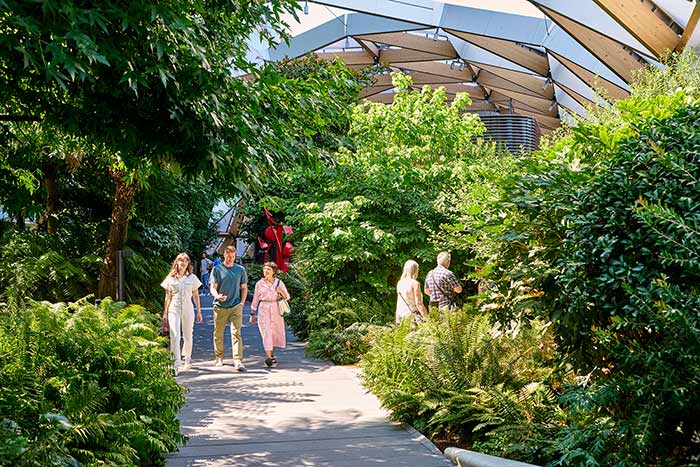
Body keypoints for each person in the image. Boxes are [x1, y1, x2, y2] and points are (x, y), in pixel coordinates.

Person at [161, 253, 203, 375]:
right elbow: (167, 297)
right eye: (181, 260)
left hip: (188, 308)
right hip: (174, 308)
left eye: (185, 260)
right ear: (177, 263)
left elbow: (195, 296)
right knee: (175, 336)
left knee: (188, 335)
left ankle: (187, 357)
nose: (183, 262)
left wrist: (199, 311)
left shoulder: (192, 278)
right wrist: (165, 313)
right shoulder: (170, 278)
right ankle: (175, 363)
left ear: (188, 264)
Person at [209, 245, 248, 370]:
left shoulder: (240, 270)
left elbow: (244, 288)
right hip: (220, 306)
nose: (230, 258)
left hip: (236, 305)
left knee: (236, 333)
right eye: (228, 256)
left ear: (235, 256)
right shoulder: (217, 269)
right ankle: (219, 357)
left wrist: (242, 303)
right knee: (218, 333)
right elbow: (213, 288)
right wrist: (217, 296)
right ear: (224, 255)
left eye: (233, 256)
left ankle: (237, 360)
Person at [250, 262, 290, 367]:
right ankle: (268, 357)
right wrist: (252, 313)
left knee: (275, 333)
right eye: (264, 269)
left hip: (276, 308)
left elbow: (287, 297)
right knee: (266, 331)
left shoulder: (279, 283)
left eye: (268, 269)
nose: (266, 271)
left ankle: (272, 355)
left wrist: (280, 291)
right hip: (264, 308)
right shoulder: (259, 284)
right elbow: (255, 299)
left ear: (273, 271)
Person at [396, 260, 427, 324]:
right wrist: (426, 318)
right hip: (411, 316)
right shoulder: (415, 283)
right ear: (415, 271)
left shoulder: (400, 283)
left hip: (400, 315)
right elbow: (418, 303)